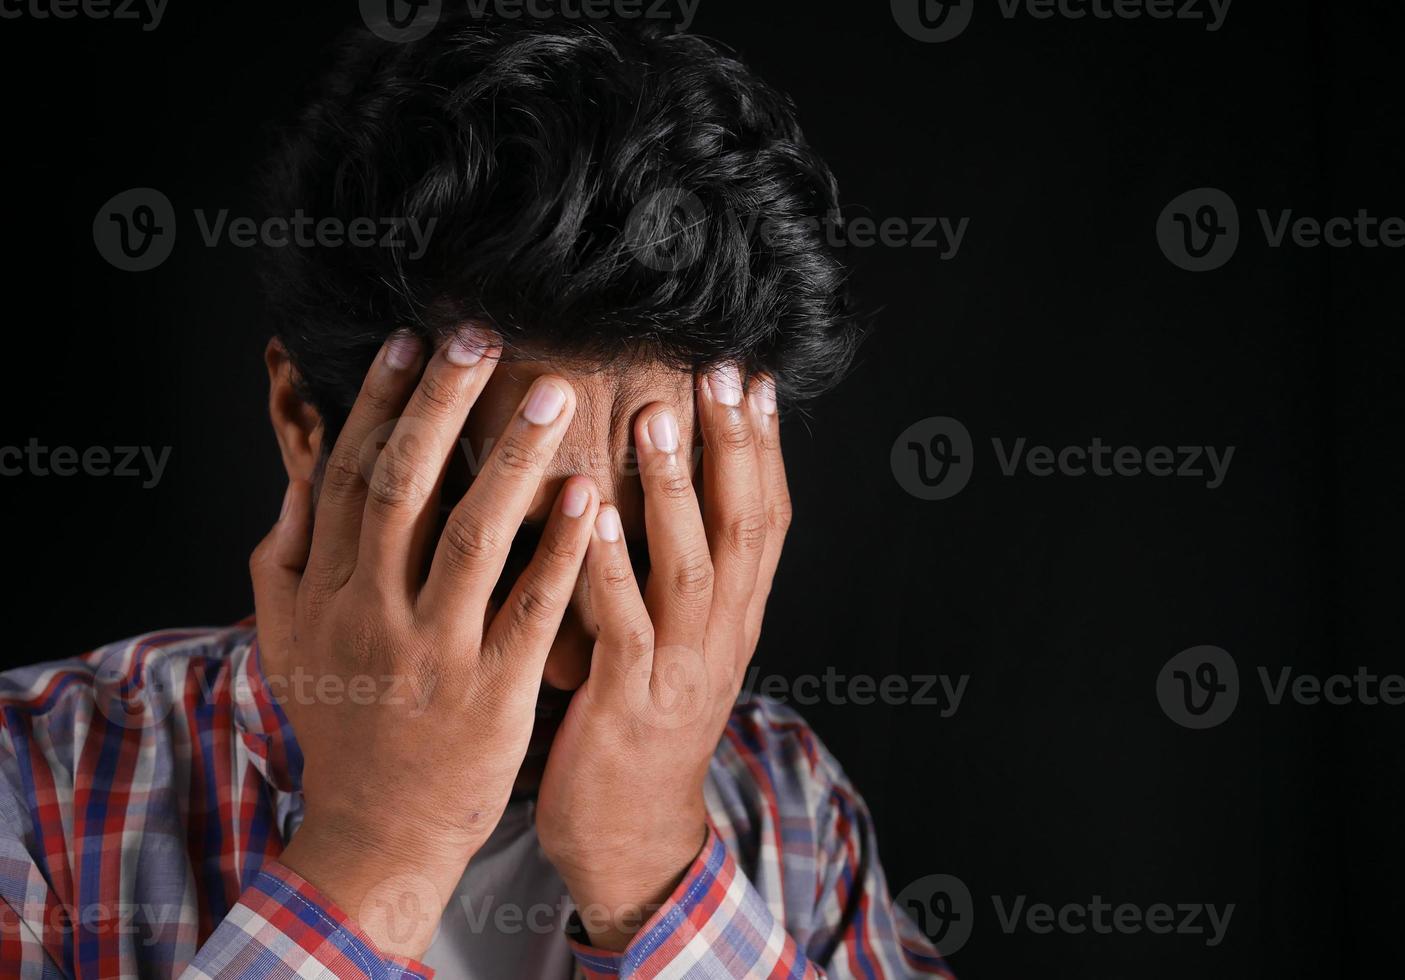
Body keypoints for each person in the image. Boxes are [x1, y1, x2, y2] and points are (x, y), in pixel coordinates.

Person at [0, 13, 952, 979]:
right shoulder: (32, 785)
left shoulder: (793, 806)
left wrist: (654, 869)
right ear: (303, 421)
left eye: (657, 540)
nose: (586, 648)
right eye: (507, 539)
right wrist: (376, 848)